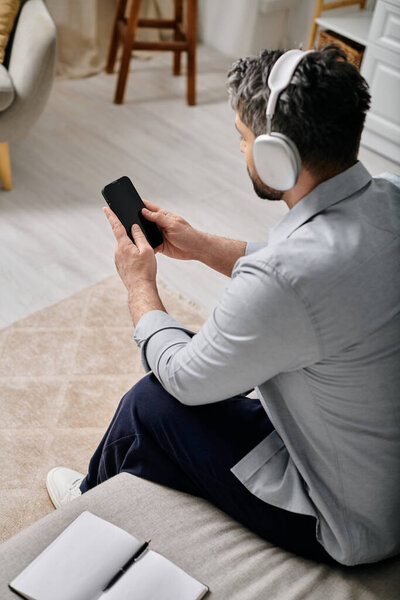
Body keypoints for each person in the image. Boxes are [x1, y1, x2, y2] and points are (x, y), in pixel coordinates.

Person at [46, 46, 400, 567]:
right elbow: (313, 282)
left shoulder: (285, 277)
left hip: (348, 523)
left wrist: (139, 286)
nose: (240, 148)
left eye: (242, 136)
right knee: (201, 354)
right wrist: (202, 244)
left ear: (277, 155)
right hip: (379, 474)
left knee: (151, 400)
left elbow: (187, 379)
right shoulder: (389, 200)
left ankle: (87, 500)